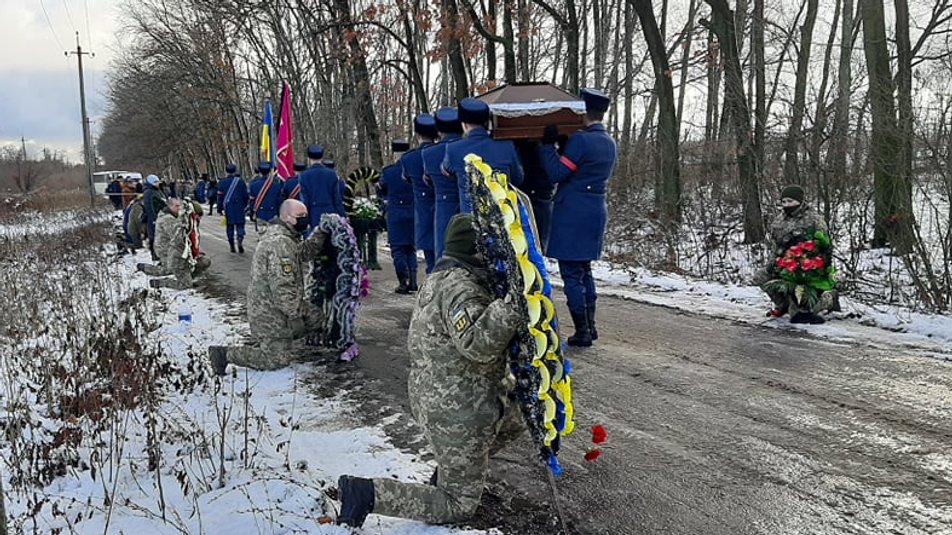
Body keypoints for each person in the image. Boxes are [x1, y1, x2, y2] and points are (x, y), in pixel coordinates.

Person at [336, 214, 525, 527]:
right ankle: (367, 494)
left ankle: (453, 468)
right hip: (455, 410)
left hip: (457, 397)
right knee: (458, 505)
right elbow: (477, 344)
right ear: (477, 250)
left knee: (514, 420)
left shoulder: (446, 276)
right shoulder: (461, 288)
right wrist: (511, 306)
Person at [208, 199, 327, 373]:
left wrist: (320, 234)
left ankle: (272, 340)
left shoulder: (285, 238)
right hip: (270, 313)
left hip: (272, 307)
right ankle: (225, 354)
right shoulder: (279, 243)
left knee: (316, 316)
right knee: (277, 360)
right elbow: (282, 288)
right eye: (300, 216)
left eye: (305, 215)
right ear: (286, 217)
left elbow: (301, 253)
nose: (304, 219)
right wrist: (297, 318)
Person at [539, 88, 617, 347]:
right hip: (595, 210)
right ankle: (590, 326)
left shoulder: (581, 141)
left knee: (571, 272)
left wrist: (548, 146)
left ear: (583, 111)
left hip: (573, 212)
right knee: (584, 270)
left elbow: (557, 173)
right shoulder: (608, 142)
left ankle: (582, 330)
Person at [755, 185, 835, 324]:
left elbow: (825, 245)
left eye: (790, 202)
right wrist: (771, 266)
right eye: (784, 202)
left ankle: (829, 299)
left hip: (808, 268)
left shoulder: (814, 219)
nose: (787, 205)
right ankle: (783, 304)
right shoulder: (779, 221)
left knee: (800, 311)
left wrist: (819, 266)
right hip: (785, 264)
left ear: (800, 201)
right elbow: (775, 246)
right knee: (760, 277)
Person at [442, 97, 524, 215]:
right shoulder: (507, 146)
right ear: (486, 122)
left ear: (463, 124)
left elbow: (446, 170)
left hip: (470, 223)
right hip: (504, 219)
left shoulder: (453, 149)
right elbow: (518, 178)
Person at [136, 198, 211, 289]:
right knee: (169, 272)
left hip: (171, 250)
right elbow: (179, 239)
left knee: (203, 261)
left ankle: (186, 278)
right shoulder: (168, 219)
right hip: (167, 251)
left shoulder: (172, 217)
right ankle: (161, 283)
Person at [420, 108, 457, 269]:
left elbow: (428, 180)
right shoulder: (465, 147)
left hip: (444, 206)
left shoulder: (429, 153)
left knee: (443, 252)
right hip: (468, 204)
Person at [379, 140, 417, 293]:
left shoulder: (388, 172)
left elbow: (382, 190)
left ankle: (403, 281)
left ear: (395, 155)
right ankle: (413, 282)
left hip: (395, 214)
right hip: (413, 212)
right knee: (410, 248)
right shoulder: (414, 170)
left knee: (398, 249)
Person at [299, 144, 345, 229]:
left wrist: (305, 218)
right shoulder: (332, 174)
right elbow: (337, 198)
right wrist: (342, 215)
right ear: (322, 157)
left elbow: (304, 200)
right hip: (331, 213)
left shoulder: (304, 175)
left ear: (309, 158)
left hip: (314, 214)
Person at [218, 163, 249, 253]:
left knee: (230, 226)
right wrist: (244, 205)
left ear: (226, 171)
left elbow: (220, 197)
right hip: (239, 207)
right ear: (235, 171)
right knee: (240, 225)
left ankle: (232, 244)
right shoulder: (241, 182)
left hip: (228, 208)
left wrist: (220, 208)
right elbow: (245, 196)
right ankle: (240, 239)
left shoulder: (222, 183)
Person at [142, 174, 168, 261]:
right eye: (155, 182)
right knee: (153, 236)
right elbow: (149, 207)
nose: (158, 183)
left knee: (160, 236)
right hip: (153, 219)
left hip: (160, 217)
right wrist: (153, 219)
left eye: (158, 181)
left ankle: (159, 254)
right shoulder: (149, 192)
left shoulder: (156, 190)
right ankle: (155, 255)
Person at [249, 161, 283, 225]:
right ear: (270, 171)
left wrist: (252, 214)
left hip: (260, 214)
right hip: (273, 215)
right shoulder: (277, 185)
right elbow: (279, 202)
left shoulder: (253, 185)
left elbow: (252, 202)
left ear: (260, 171)